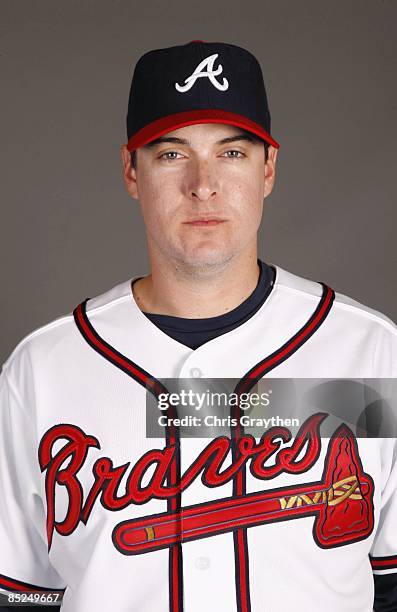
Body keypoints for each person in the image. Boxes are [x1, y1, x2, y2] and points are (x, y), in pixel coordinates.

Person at [0, 40, 396, 612]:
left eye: (232, 153)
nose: (203, 184)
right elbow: (20, 595)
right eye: (171, 154)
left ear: (270, 169)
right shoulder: (42, 370)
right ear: (131, 172)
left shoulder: (369, 354)